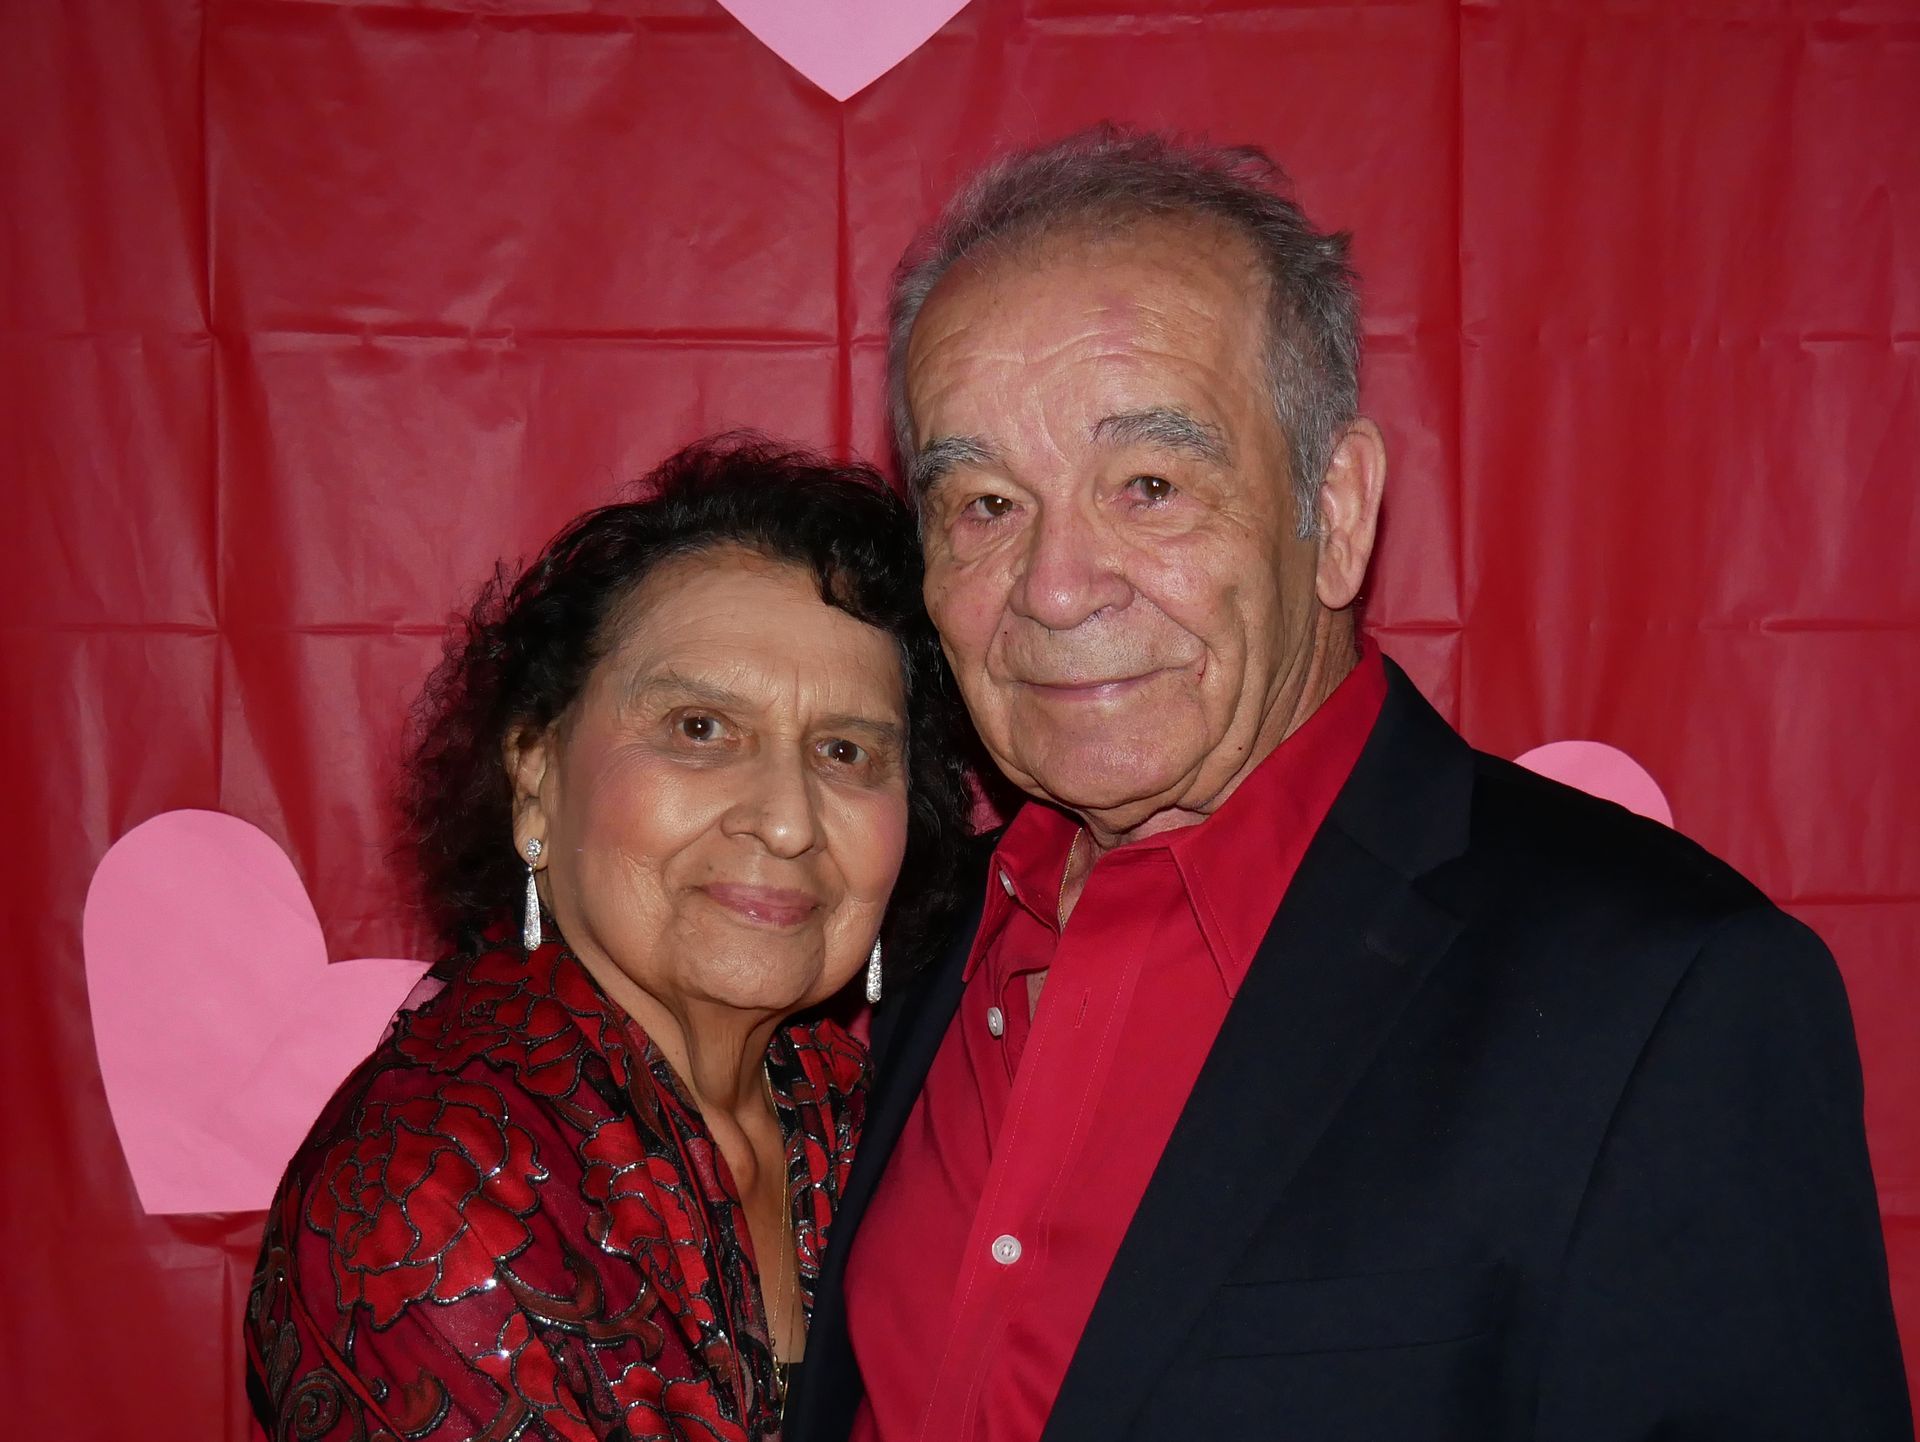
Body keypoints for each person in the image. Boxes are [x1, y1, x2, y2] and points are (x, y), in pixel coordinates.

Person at [786, 128, 1913, 1441]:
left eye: (1149, 485)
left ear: (1340, 509)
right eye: (985, 504)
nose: (1054, 587)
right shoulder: (900, 936)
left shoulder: (1661, 998)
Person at [245, 435, 974, 1441]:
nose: (787, 820)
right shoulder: (430, 1195)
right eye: (700, 728)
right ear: (536, 774)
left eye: (845, 751)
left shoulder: (872, 1112)